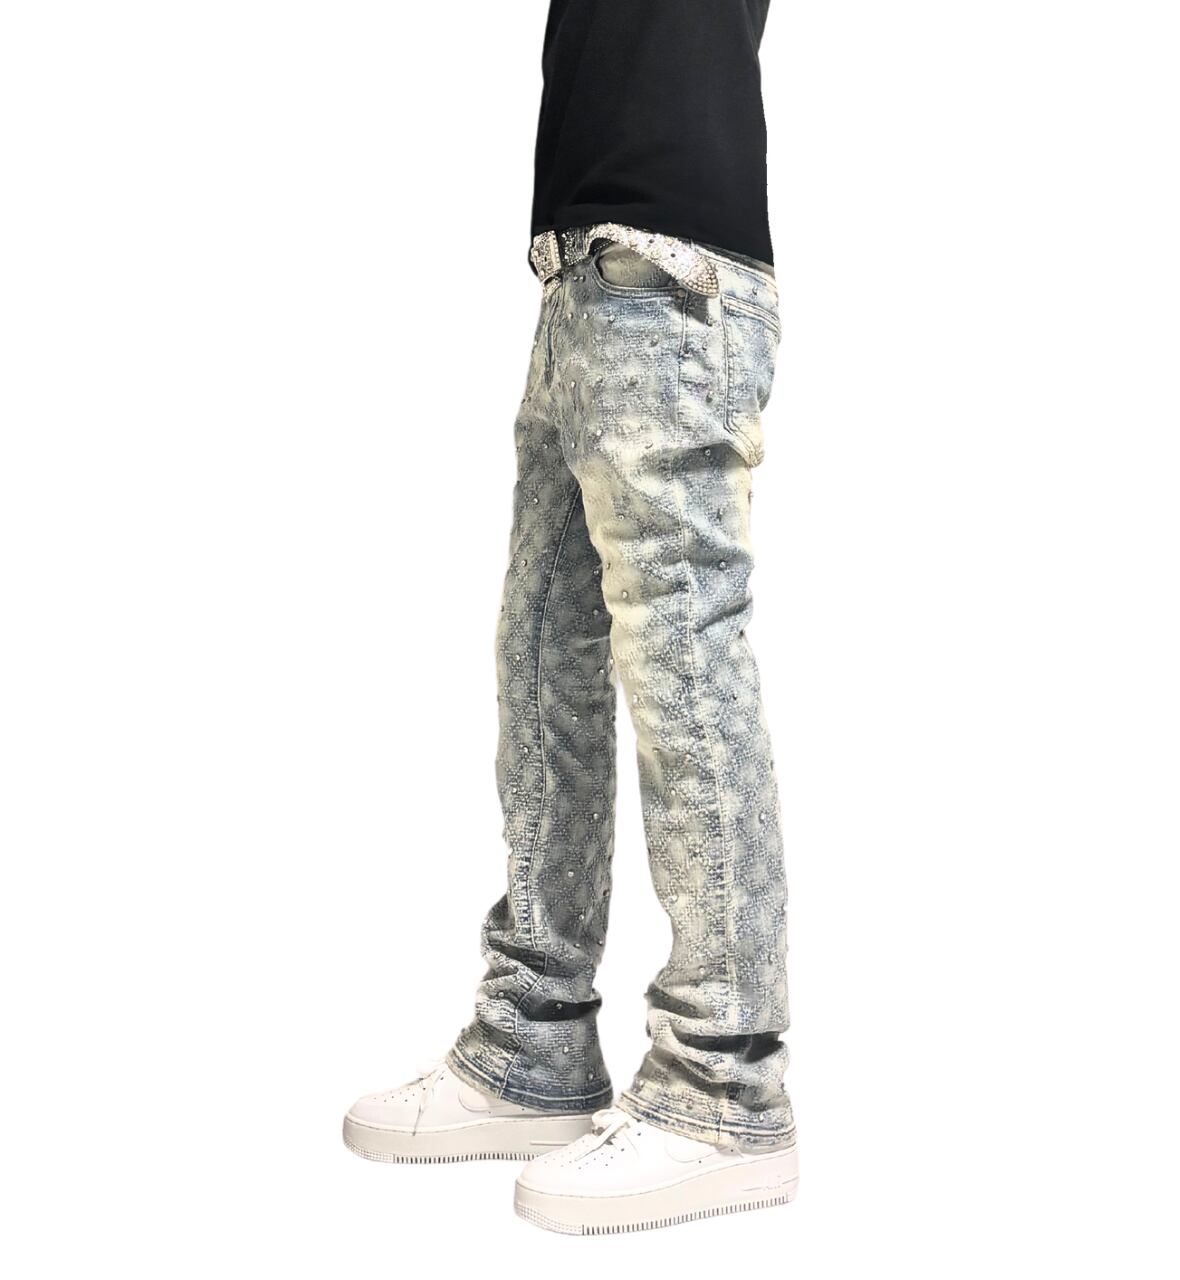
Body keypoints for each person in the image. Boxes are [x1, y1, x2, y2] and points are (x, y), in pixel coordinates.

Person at [343, 0, 796, 1234]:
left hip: (675, 280)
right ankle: (532, 1042)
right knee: (541, 659)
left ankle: (722, 1087)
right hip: (582, 280)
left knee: (683, 662)